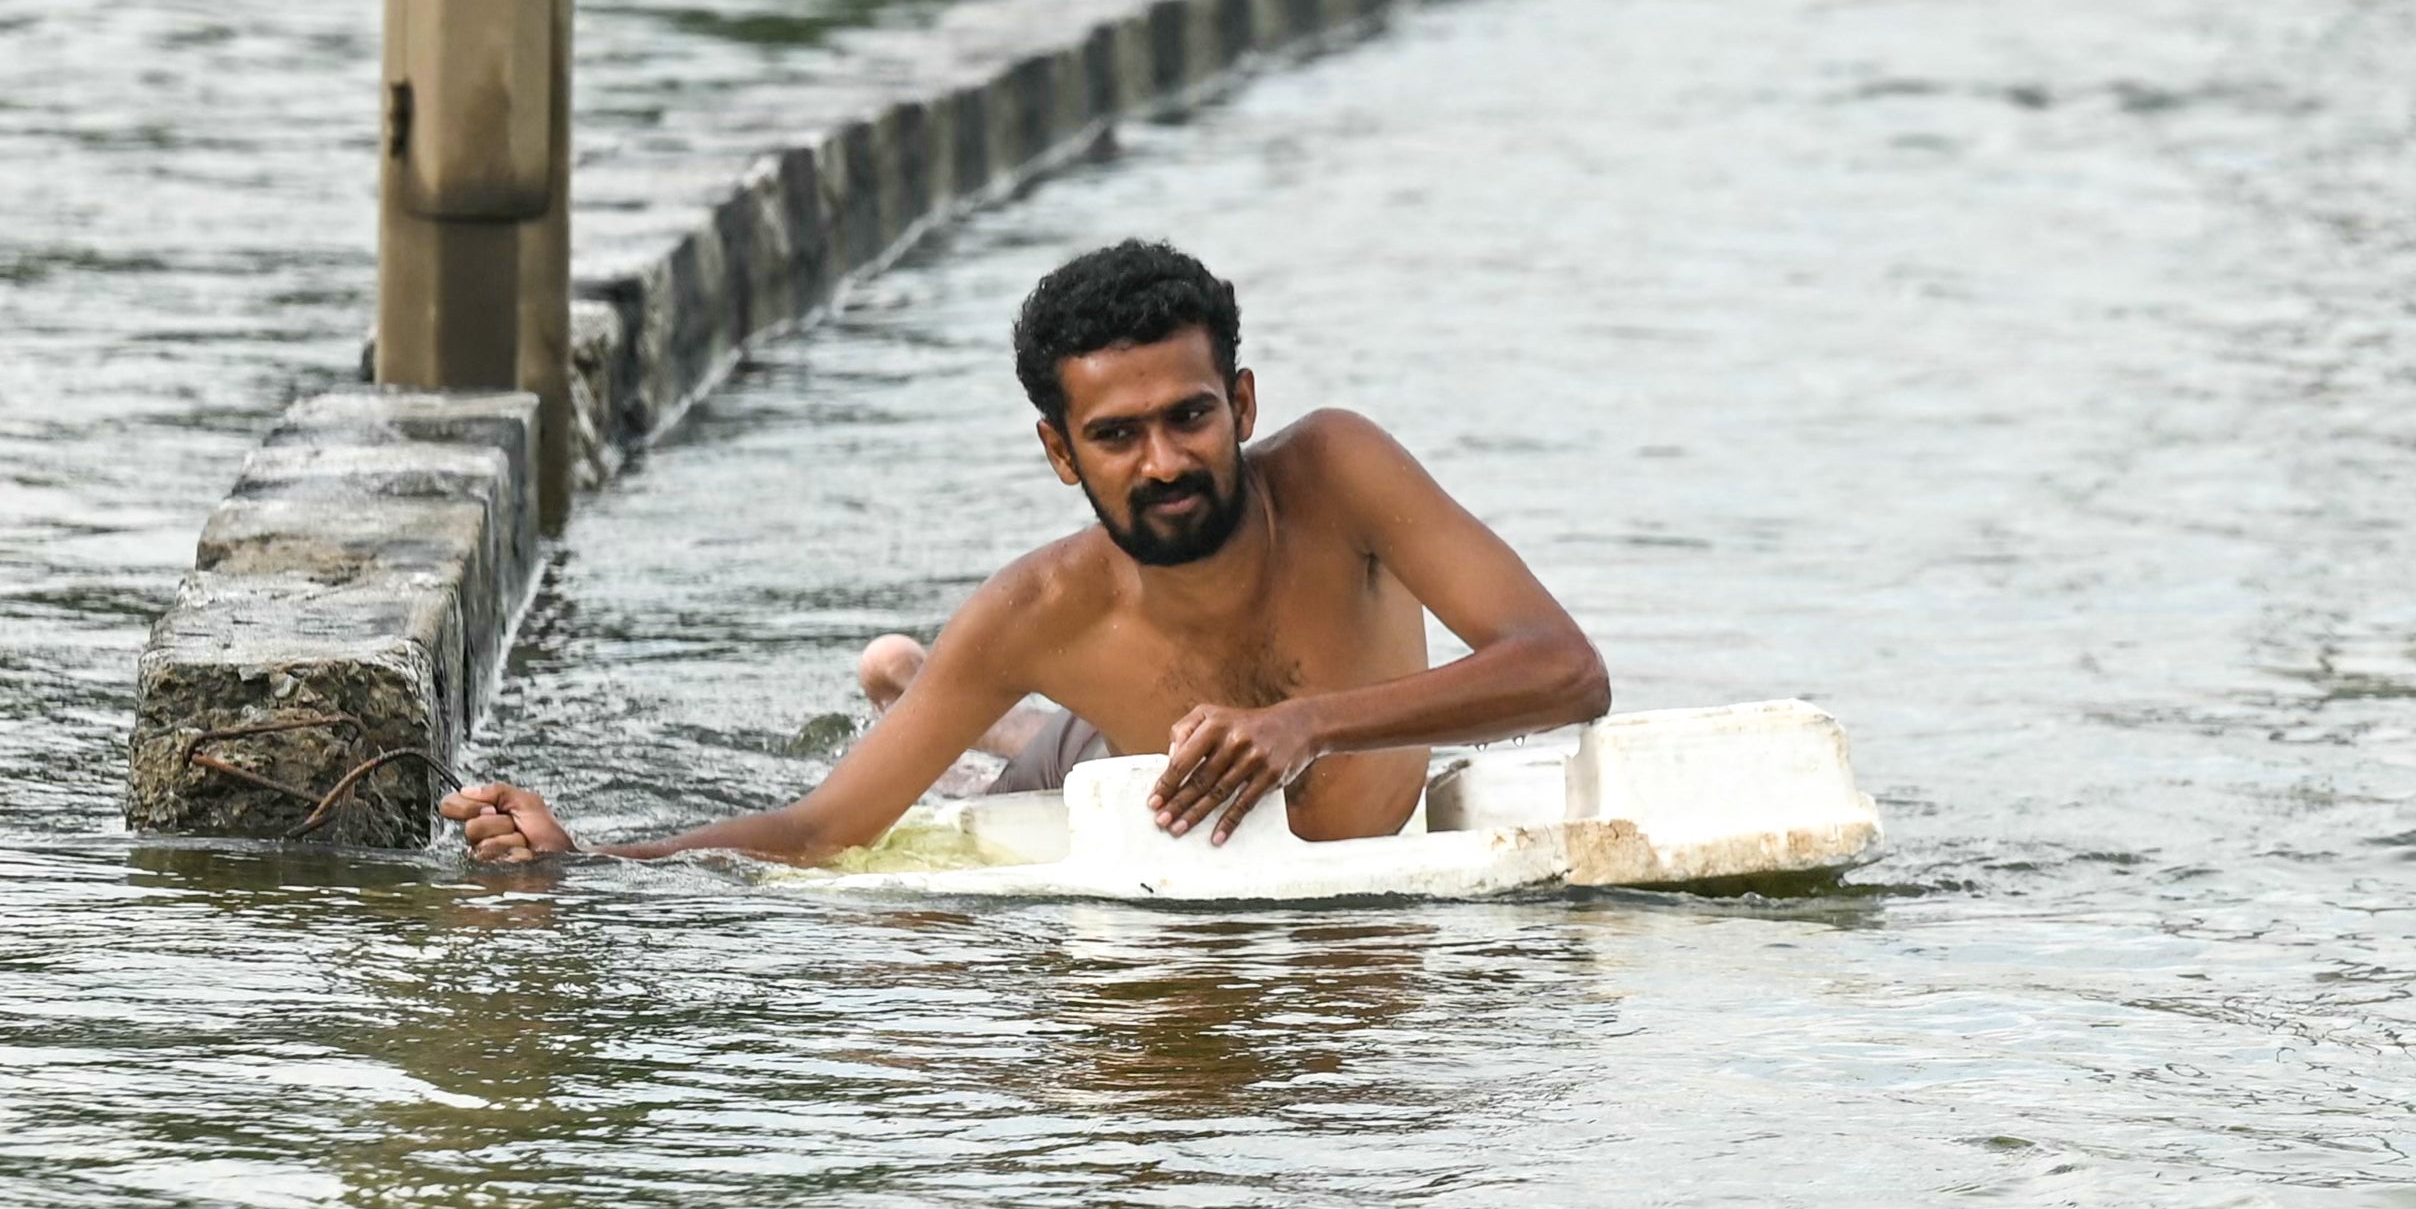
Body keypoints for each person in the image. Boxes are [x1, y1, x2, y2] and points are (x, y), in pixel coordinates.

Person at [438, 240, 1608, 865]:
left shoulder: (1342, 473)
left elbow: (1565, 667)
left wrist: (1309, 720)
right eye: (1116, 433)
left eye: (1188, 415)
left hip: (1309, 776)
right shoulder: (1038, 607)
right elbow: (819, 828)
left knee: (1046, 719)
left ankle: (921, 683)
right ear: (1061, 451)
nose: (1161, 461)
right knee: (985, 813)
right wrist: (585, 861)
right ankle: (943, 697)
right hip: (1095, 761)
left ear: (1242, 402)